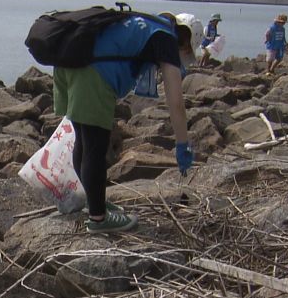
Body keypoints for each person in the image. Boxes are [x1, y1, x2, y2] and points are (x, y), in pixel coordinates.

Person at [53, 12, 199, 234]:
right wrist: (182, 144)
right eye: (187, 53)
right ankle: (99, 219)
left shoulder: (147, 24)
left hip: (69, 61)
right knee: (95, 146)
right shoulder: (166, 39)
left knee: (83, 140)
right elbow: (176, 102)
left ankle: (95, 204)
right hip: (92, 71)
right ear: (186, 43)